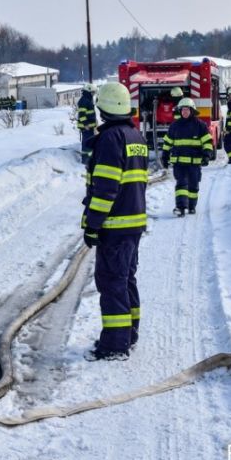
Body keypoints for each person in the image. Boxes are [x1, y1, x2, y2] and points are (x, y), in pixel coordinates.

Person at [81, 83, 148, 361]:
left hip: (115, 226)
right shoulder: (136, 136)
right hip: (133, 224)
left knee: (111, 282)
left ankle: (115, 345)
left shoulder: (110, 139)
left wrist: (93, 224)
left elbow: (105, 189)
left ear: (103, 109)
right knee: (125, 278)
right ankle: (129, 333)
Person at [161, 98, 213, 216]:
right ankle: (180, 207)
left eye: (187, 110)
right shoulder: (174, 126)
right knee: (181, 183)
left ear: (192, 111)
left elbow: (207, 142)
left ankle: (191, 206)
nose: (184, 112)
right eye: (182, 110)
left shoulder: (200, 125)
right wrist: (165, 156)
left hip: (194, 163)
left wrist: (206, 155)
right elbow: (168, 142)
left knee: (193, 186)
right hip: (179, 163)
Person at [76, 84, 98, 164]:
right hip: (86, 127)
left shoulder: (87, 99)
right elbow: (82, 115)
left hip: (89, 127)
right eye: (92, 92)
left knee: (89, 143)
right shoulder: (84, 100)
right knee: (86, 144)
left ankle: (89, 160)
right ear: (88, 91)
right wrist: (86, 124)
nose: (93, 94)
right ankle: (85, 161)